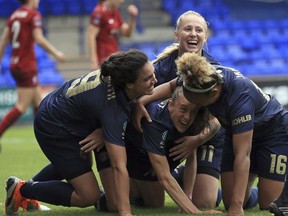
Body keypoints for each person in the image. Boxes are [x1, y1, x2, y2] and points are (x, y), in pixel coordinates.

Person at [4, 49, 157, 216]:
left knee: (110, 200)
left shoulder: (117, 77)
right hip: (54, 125)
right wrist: (126, 212)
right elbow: (119, 166)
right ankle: (21, 189)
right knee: (88, 195)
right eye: (148, 78)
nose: (155, 80)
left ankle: (31, 188)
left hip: (68, 114)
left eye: (153, 75)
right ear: (129, 84)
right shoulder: (113, 109)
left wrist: (103, 130)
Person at [138, 52, 288, 216]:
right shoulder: (196, 77)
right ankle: (251, 180)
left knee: (267, 203)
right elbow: (172, 87)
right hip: (235, 131)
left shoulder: (239, 97)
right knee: (230, 200)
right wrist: (141, 102)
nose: (193, 108)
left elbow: (243, 154)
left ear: (214, 93)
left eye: (197, 104)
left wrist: (237, 207)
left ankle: (263, 173)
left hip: (272, 133)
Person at [149, 10, 224, 208]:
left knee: (206, 202)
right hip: (169, 135)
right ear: (176, 34)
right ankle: (177, 174)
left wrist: (197, 140)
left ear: (205, 37)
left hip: (206, 136)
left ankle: (246, 194)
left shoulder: (214, 71)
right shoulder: (159, 68)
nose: (193, 33)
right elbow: (137, 99)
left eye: (199, 30)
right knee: (148, 200)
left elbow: (219, 118)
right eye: (187, 29)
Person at [125, 86, 222, 214]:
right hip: (144, 148)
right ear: (170, 105)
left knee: (205, 200)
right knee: (154, 202)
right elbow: (164, 177)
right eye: (183, 109)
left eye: (193, 112)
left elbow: (191, 155)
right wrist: (195, 212)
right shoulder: (154, 120)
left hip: (206, 140)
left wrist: (198, 140)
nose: (187, 117)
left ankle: (215, 190)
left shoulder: (198, 114)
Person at [0, 0, 65, 152]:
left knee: (40, 103)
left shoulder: (14, 16)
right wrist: (56, 53)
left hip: (15, 63)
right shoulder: (33, 15)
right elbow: (39, 38)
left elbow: (3, 41)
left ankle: (50, 138)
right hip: (27, 65)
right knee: (22, 107)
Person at [87, 0, 138, 70]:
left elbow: (127, 33)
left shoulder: (115, 11)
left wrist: (132, 18)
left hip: (115, 58)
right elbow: (91, 36)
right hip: (103, 60)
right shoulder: (98, 12)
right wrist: (94, 61)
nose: (121, 1)